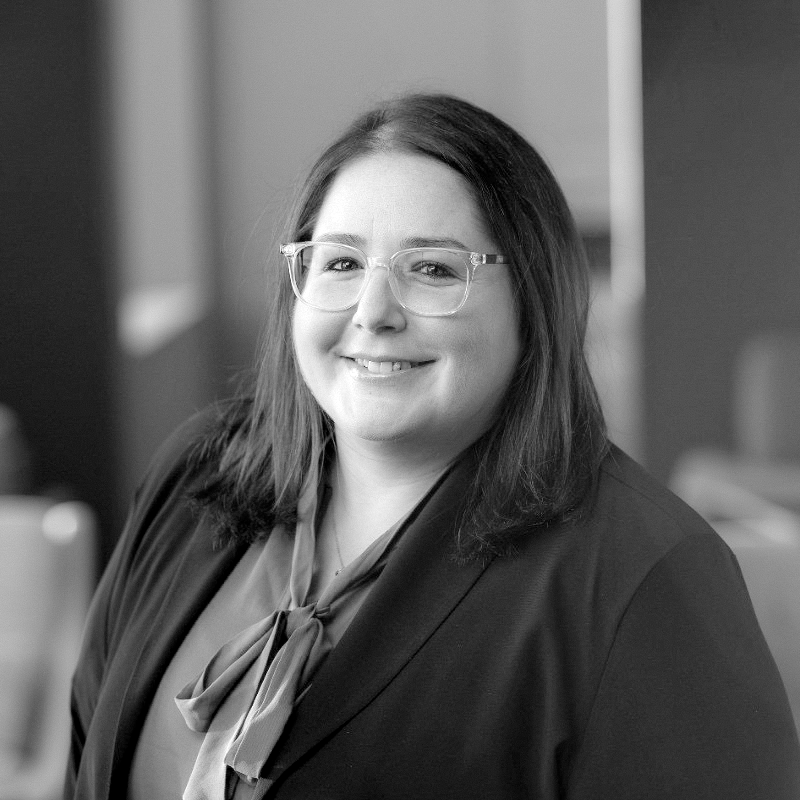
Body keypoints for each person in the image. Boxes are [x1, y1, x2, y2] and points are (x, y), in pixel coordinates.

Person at [66, 93, 800, 799]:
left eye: (434, 269)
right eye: (342, 263)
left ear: (536, 300)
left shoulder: (647, 577)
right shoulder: (197, 471)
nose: (374, 313)